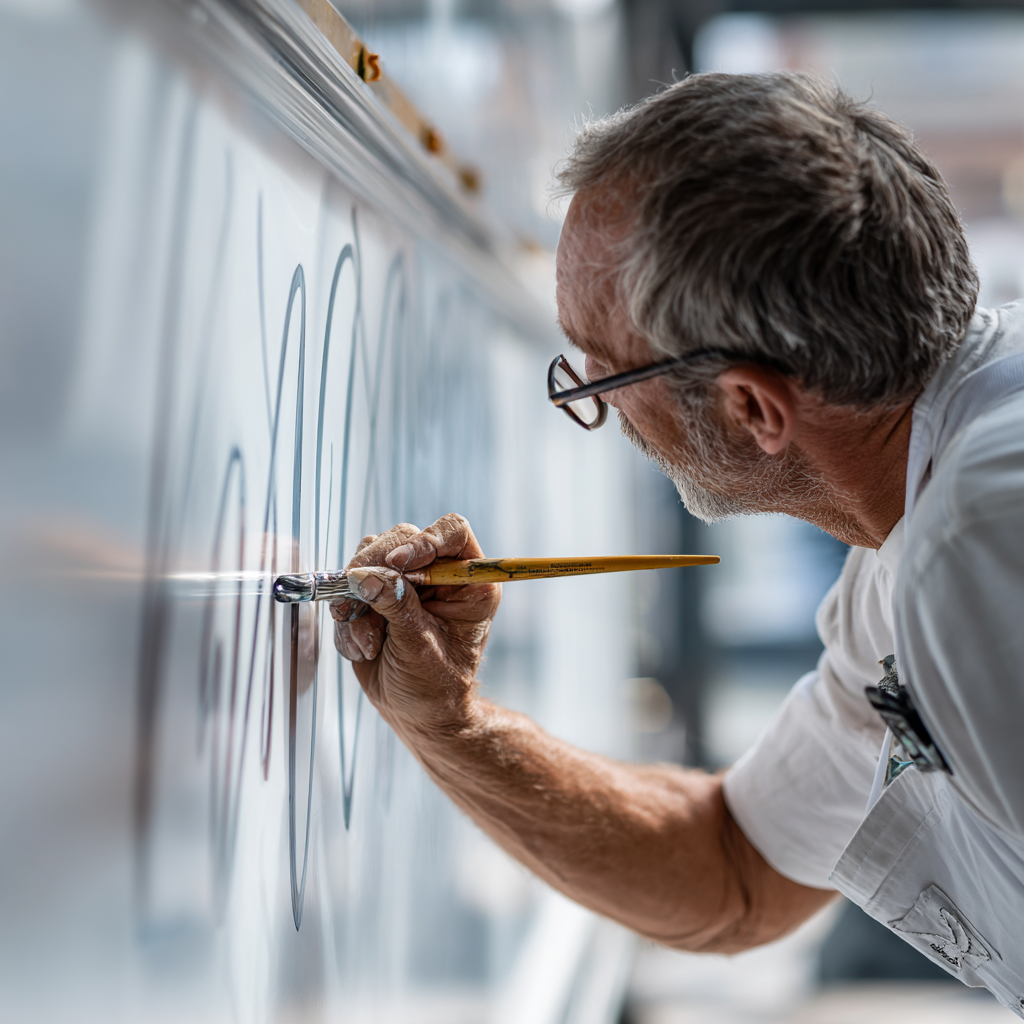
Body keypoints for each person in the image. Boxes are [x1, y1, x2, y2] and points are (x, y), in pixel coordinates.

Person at [330, 72, 1024, 1009]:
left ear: (751, 405)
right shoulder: (920, 515)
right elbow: (734, 869)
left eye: (601, 376)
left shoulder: (974, 545)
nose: (598, 407)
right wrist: (449, 723)